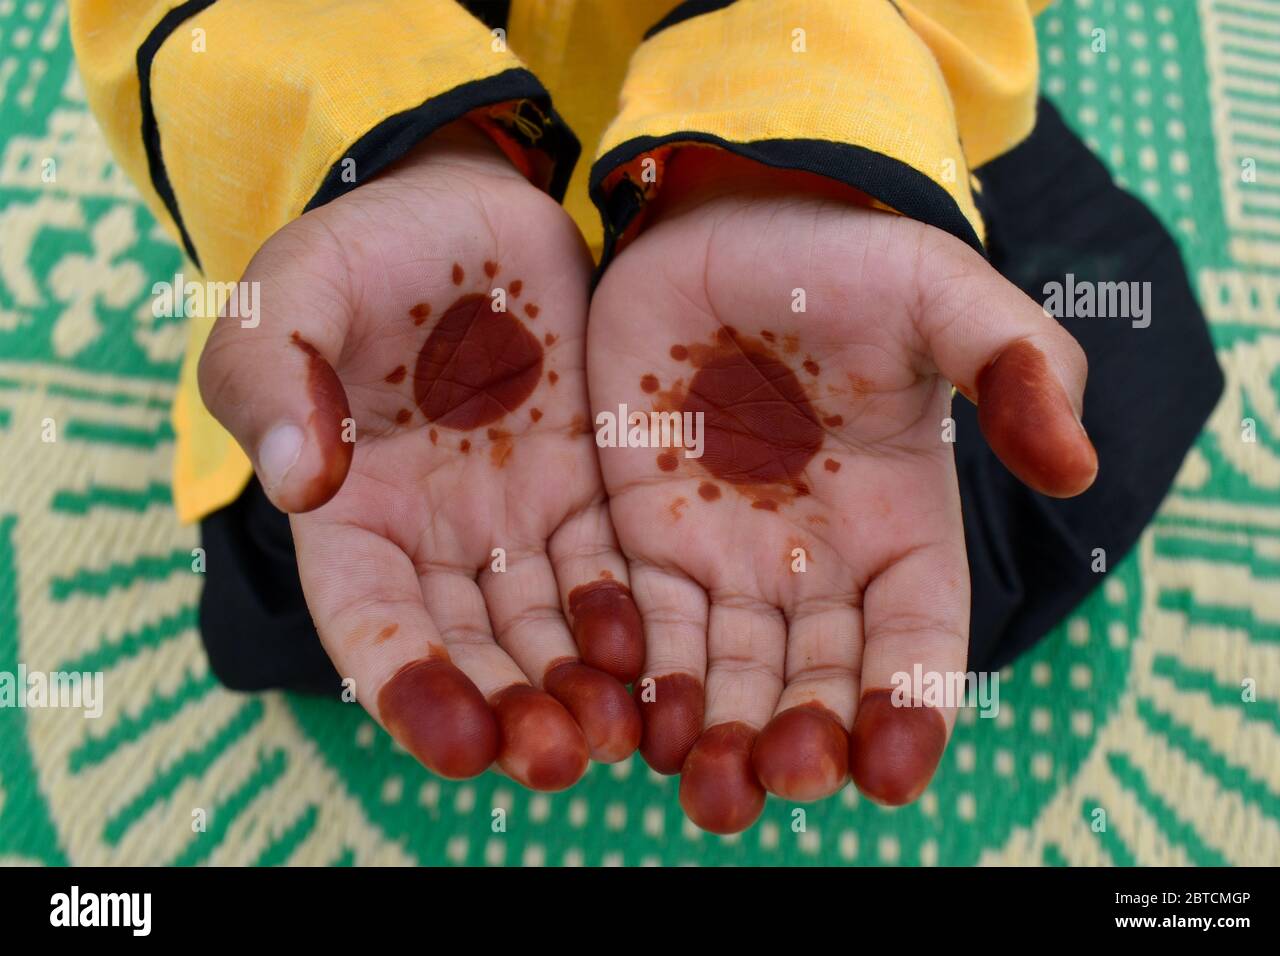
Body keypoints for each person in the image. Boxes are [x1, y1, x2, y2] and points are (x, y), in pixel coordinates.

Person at [70, 0, 1221, 834]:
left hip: (822, 117)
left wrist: (781, 157)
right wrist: (390, 151)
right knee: (310, 563)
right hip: (393, 218)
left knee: (1104, 371)